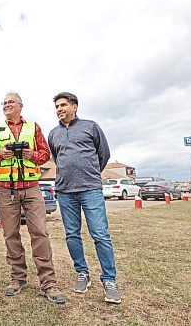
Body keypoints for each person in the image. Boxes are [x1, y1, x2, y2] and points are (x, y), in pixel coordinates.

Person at [0, 92, 66, 304]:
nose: (6, 105)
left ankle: (48, 282)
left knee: (40, 233)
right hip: (6, 189)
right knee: (10, 234)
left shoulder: (33, 127)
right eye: (3, 102)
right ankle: (17, 279)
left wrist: (31, 154)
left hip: (31, 188)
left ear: (21, 105)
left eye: (10, 102)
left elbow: (45, 155)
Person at [48, 91, 121, 304]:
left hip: (90, 189)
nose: (59, 109)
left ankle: (109, 280)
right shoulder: (53, 133)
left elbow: (103, 154)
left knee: (100, 234)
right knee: (72, 234)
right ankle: (82, 272)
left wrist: (89, 173)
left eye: (63, 105)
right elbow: (57, 157)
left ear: (75, 106)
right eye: (57, 106)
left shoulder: (91, 127)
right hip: (64, 191)